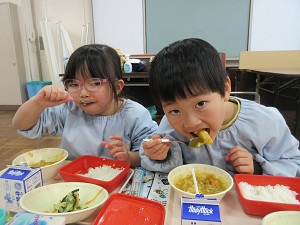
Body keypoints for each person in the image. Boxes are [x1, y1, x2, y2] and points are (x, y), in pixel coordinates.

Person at [140, 38, 300, 177]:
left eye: (200, 104)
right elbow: (158, 162)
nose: (190, 123)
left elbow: (293, 163)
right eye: (175, 110)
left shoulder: (262, 121)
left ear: (225, 89)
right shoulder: (170, 126)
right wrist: (161, 155)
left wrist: (257, 168)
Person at [12, 44, 158, 167]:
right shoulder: (69, 108)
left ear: (117, 86)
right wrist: (37, 103)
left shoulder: (136, 115)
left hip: (117, 180)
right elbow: (22, 125)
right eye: (74, 84)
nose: (83, 93)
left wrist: (128, 157)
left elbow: (147, 155)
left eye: (95, 83)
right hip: (75, 178)